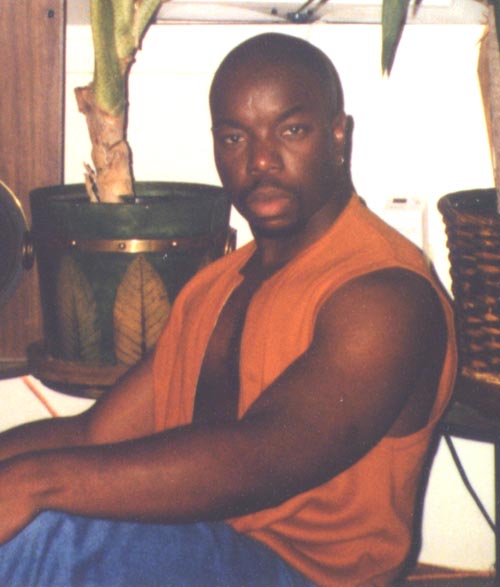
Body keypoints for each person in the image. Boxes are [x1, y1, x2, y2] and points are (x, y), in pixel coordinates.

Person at [0, 33, 456, 586]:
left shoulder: (385, 295)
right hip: (200, 544)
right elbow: (95, 434)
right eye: (235, 137)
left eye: (291, 130)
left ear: (339, 135)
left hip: (304, 573)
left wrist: (33, 484)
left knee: (45, 540)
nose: (261, 160)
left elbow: (260, 458)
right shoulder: (215, 286)